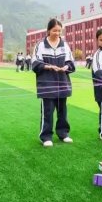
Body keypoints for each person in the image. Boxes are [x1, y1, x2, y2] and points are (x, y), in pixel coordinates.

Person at [32, 18, 76, 147]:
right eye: (54, 30)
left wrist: (66, 67)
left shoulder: (65, 45)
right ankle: (46, 137)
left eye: (59, 31)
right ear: (48, 31)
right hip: (47, 84)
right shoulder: (40, 45)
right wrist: (49, 66)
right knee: (48, 112)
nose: (57, 33)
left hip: (62, 83)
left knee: (62, 111)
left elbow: (71, 63)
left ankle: (63, 134)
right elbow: (35, 64)